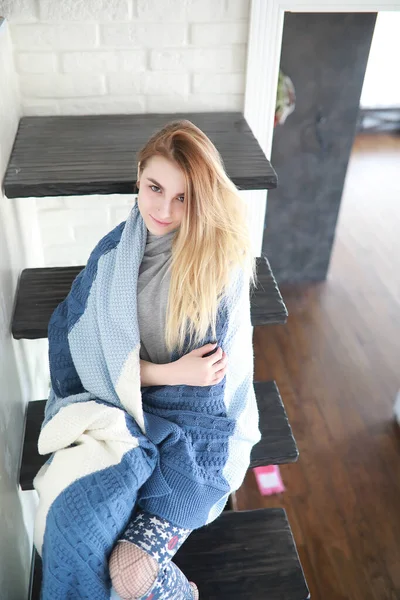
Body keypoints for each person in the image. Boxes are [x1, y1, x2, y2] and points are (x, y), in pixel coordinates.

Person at [35, 119, 260, 600]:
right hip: (121, 415)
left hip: (194, 439)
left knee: (128, 572)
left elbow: (217, 392)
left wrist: (173, 381)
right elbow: (90, 356)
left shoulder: (219, 267)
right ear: (138, 176)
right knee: (78, 532)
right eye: (155, 187)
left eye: (183, 197)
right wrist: (171, 373)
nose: (163, 208)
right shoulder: (114, 256)